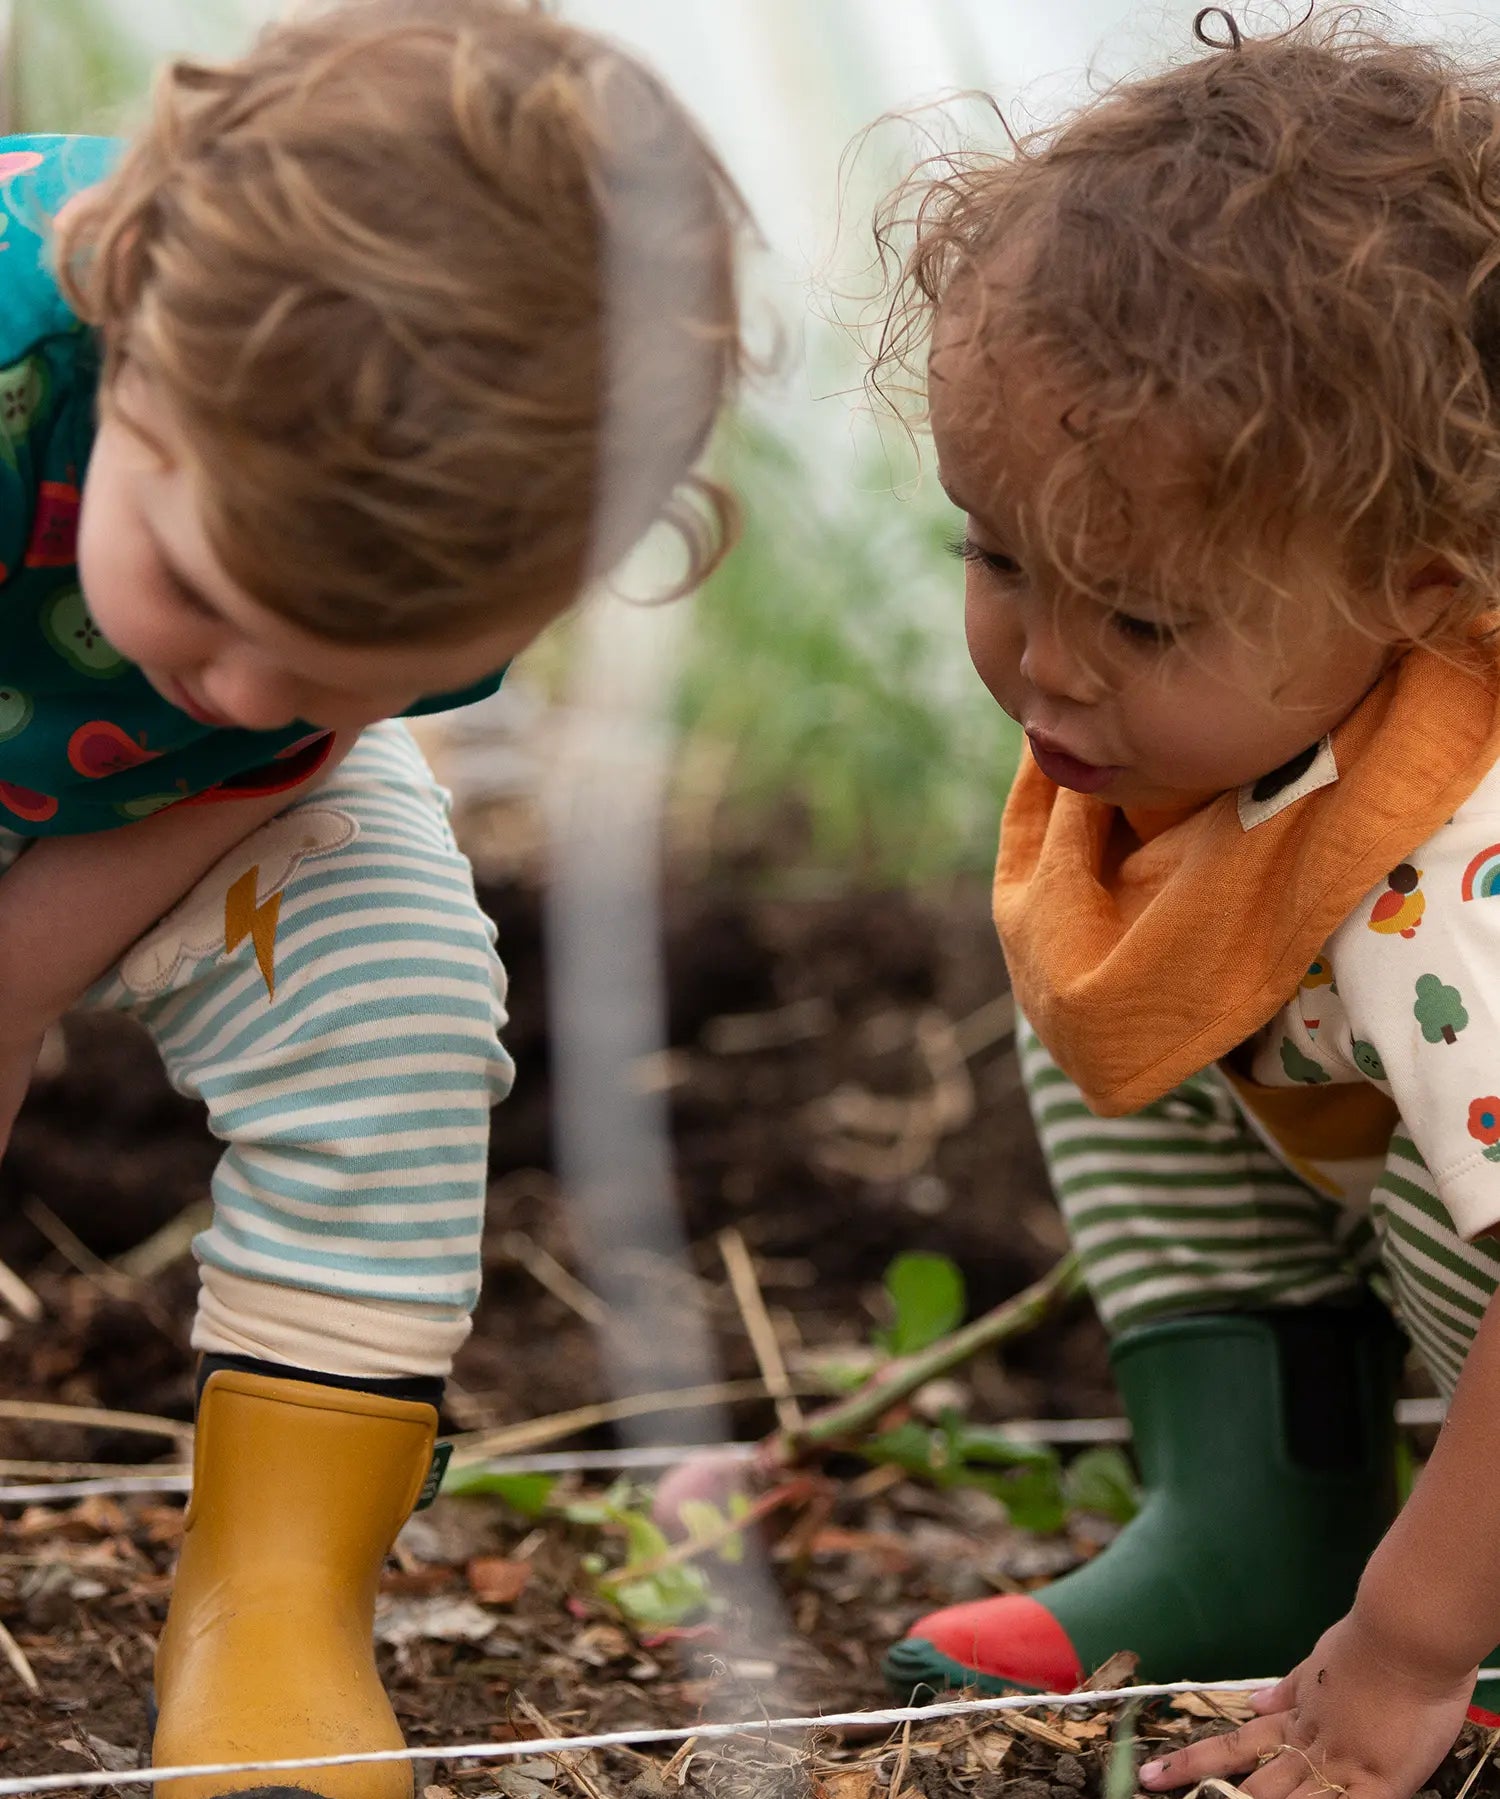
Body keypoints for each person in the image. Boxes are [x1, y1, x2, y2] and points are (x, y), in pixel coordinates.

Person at [0, 3, 745, 1794]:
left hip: (134, 813)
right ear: (131, 321)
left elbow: (255, 761)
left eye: (342, 660)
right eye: (199, 589)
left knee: (397, 997)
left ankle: (272, 1598)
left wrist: (19, 982)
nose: (244, 682)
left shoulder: (448, 531)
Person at [872, 15, 1500, 1799]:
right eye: (996, 556)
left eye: (1142, 620)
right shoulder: (1215, 744)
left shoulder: (1459, 874)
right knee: (1120, 953)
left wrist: (1411, 1645)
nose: (1045, 664)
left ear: (1417, 585)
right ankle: (1259, 1514)